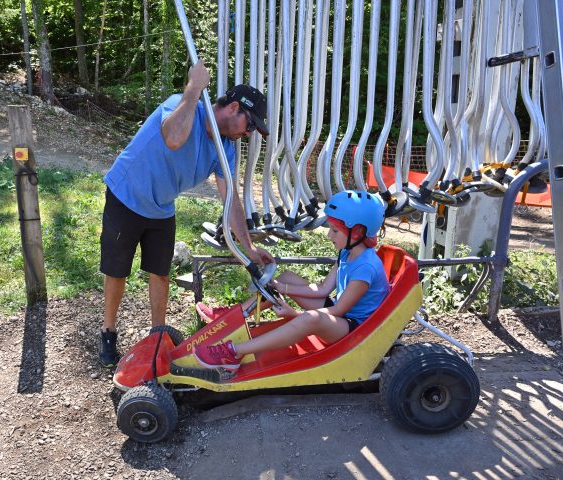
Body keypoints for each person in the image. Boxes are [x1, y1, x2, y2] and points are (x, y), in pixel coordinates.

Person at [98, 59, 275, 367]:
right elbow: (173, 138)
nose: (249, 134)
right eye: (250, 125)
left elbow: (231, 200)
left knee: (160, 272)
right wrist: (193, 88)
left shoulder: (226, 148)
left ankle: (157, 335)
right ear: (233, 108)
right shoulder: (181, 106)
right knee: (117, 270)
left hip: (161, 207)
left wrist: (248, 248)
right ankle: (108, 331)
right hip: (126, 195)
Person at [193, 190, 389, 372]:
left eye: (335, 231)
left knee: (310, 318)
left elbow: (338, 311)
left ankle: (233, 353)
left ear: (357, 232)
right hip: (342, 317)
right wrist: (282, 287)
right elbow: (323, 290)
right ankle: (230, 317)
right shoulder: (347, 252)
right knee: (287, 277)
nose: (329, 235)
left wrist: (294, 314)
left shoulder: (365, 268)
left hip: (355, 330)